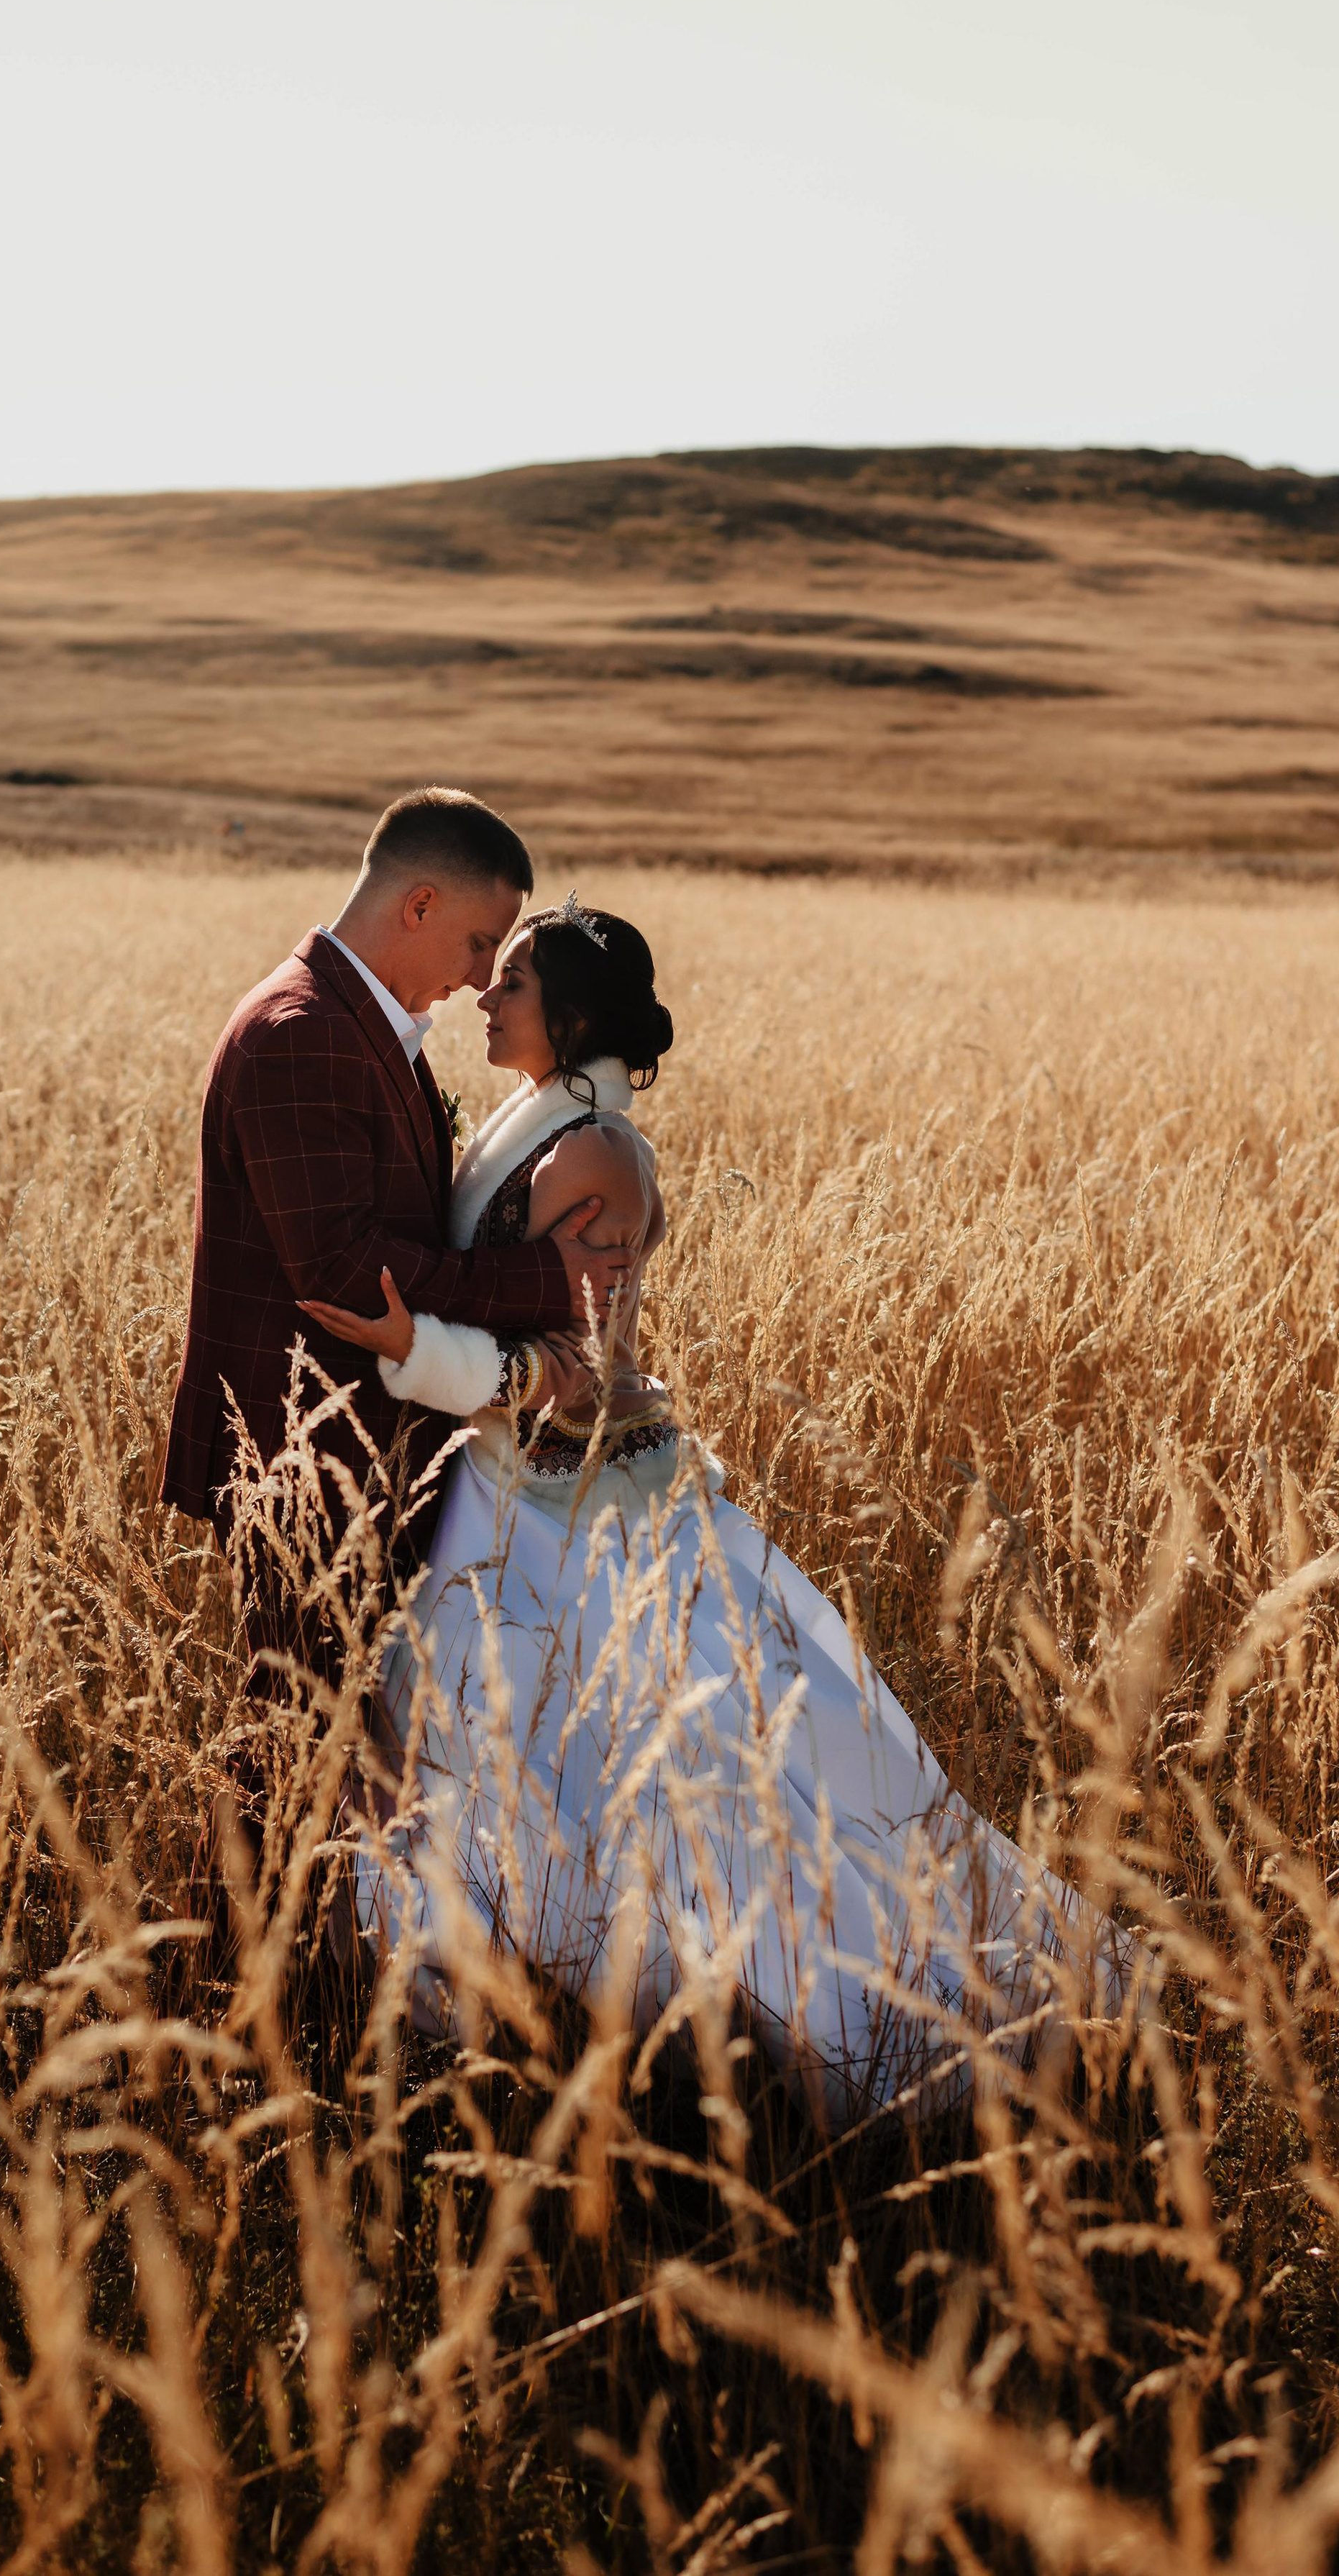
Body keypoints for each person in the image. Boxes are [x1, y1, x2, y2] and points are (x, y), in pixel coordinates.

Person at [303, 896, 1135, 2123]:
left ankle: (822, 2024)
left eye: (516, 981)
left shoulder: (597, 1155)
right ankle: (482, 1999)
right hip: (507, 1490)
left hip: (569, 1501)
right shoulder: (538, 1127)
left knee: (656, 1771)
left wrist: (416, 1353)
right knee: (511, 1751)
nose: (488, 996)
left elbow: (583, 1362)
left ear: (575, 1015)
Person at [159, 790, 632, 1694]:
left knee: (347, 1746)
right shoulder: (304, 1033)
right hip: (304, 1459)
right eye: (479, 942)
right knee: (299, 1741)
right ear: (419, 904)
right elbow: (343, 1271)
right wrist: (551, 1277)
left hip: (361, 1453)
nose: (483, 978)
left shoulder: (362, 1022)